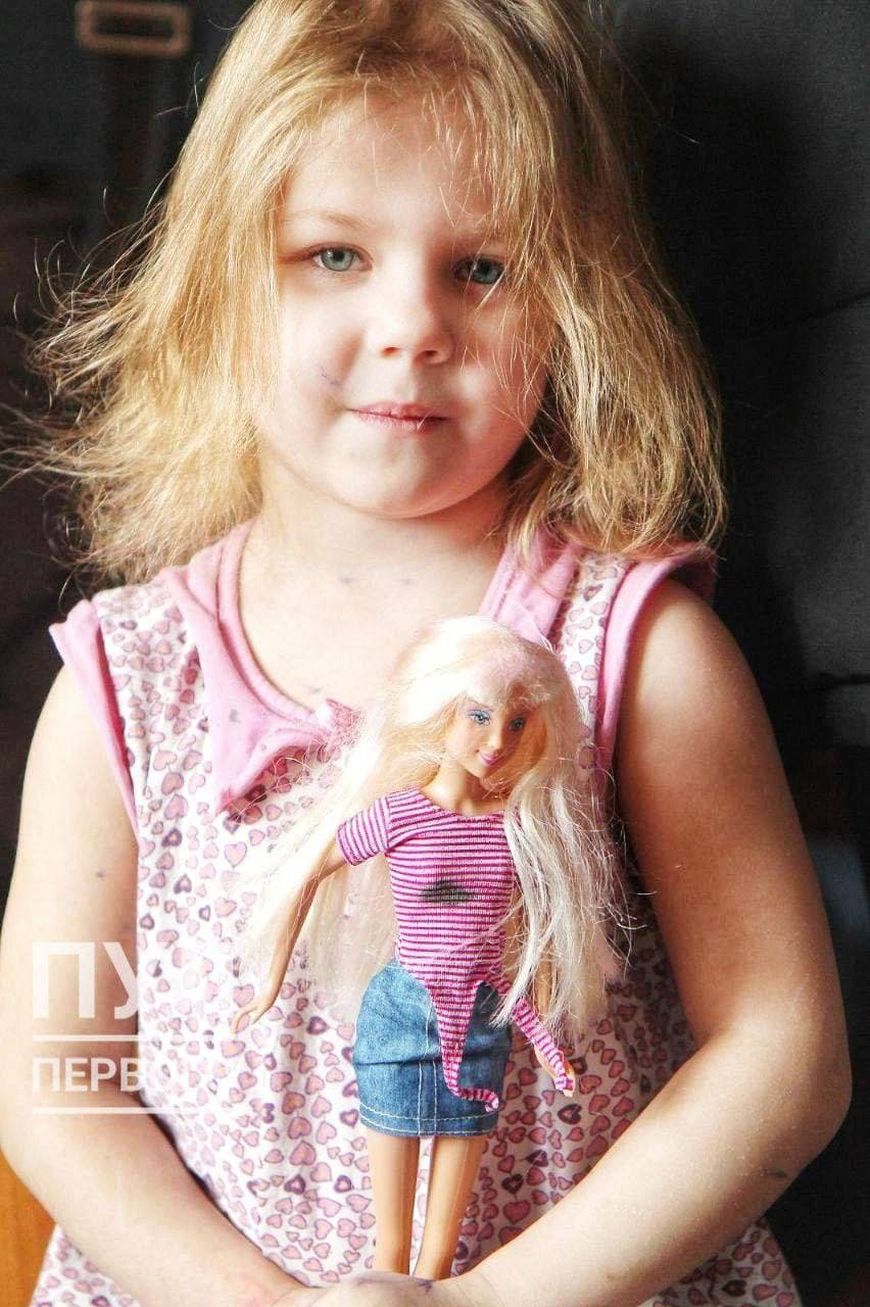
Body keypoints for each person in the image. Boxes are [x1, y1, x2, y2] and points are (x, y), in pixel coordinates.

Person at [0, 2, 849, 1305]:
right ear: (217, 282)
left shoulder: (634, 655)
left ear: (575, 309)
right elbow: (57, 1081)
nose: (412, 324)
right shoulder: (123, 687)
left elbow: (780, 1055)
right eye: (334, 254)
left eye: (483, 268)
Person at [230, 617, 619, 1279]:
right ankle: (385, 1282)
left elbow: (534, 930)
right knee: (390, 1234)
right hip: (402, 1010)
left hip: (482, 1016)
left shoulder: (516, 829)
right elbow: (305, 876)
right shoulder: (400, 814)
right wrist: (269, 981)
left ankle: (432, 1284)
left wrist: (545, 1010)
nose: (496, 742)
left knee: (444, 1224)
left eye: (517, 723)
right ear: (440, 712)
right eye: (479, 716)